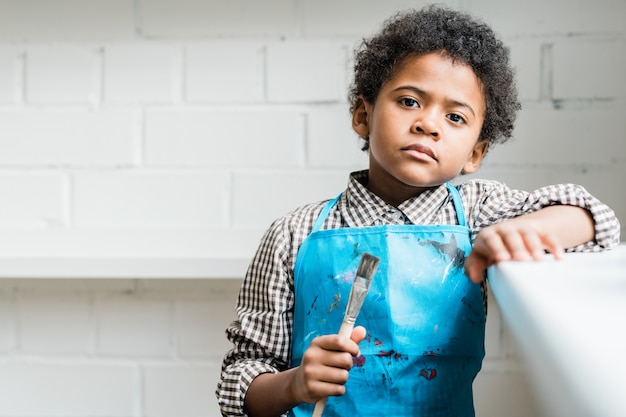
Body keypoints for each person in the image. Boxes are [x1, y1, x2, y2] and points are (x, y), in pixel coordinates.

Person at [216, 5, 621, 417]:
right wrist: (293, 383)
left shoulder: (478, 212)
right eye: (410, 101)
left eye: (455, 116)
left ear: (475, 153)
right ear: (363, 115)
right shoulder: (293, 234)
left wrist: (532, 228)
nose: (429, 124)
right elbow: (240, 376)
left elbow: (593, 218)